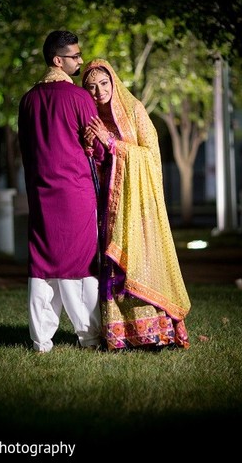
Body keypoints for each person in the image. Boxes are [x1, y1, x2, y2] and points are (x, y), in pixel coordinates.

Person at [82, 58, 191, 352]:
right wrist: (92, 146)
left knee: (141, 262)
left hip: (139, 204)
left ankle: (153, 332)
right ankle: (119, 334)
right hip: (109, 204)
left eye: (104, 84)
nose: (99, 91)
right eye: (91, 87)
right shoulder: (90, 118)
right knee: (113, 266)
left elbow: (151, 156)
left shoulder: (134, 111)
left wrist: (113, 143)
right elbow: (95, 166)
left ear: (114, 82)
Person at [17, 31, 104, 353]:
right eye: (75, 57)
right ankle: (90, 337)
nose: (80, 61)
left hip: (40, 193)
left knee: (42, 264)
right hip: (76, 193)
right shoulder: (80, 98)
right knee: (80, 265)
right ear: (58, 60)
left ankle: (41, 340)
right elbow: (96, 147)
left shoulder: (28, 100)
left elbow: (26, 149)